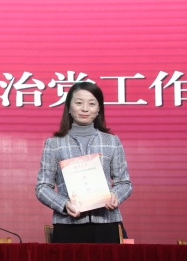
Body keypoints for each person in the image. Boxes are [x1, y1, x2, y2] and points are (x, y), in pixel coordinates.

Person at [35, 82, 132, 243]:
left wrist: (115, 195)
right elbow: (42, 187)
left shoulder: (112, 141)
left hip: (106, 223)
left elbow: (124, 183)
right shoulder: (54, 143)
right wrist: (64, 204)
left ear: (99, 108)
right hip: (68, 224)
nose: (85, 109)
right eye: (79, 103)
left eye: (92, 104)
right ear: (69, 107)